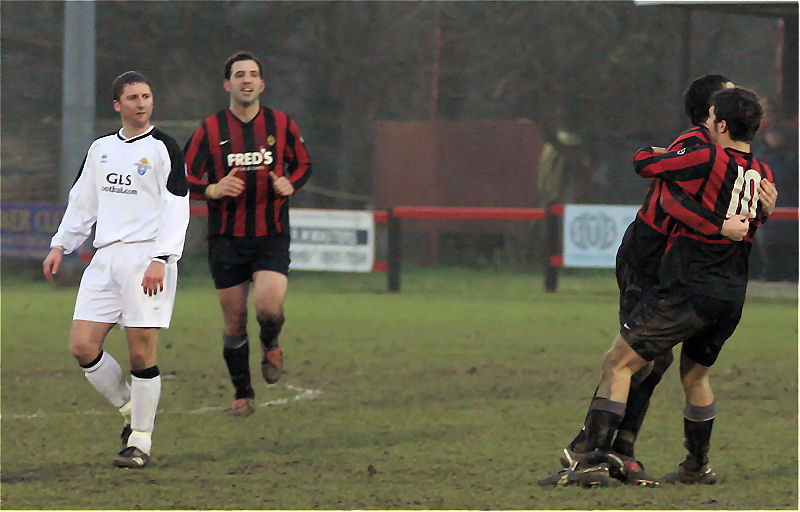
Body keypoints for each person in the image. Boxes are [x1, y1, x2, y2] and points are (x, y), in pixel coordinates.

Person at [542, 87, 776, 488]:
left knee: (618, 363)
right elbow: (749, 219)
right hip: (732, 295)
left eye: (711, 118)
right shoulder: (764, 176)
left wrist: (655, 156)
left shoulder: (705, 154)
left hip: (690, 289)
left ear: (719, 124)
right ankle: (696, 466)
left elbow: (647, 167)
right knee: (695, 376)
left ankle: (591, 460)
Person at [42, 71, 190, 469]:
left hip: (147, 259)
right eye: (133, 97)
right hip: (104, 258)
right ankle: (131, 408)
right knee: (82, 346)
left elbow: (177, 205)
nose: (141, 103)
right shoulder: (101, 149)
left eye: (146, 96)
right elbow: (82, 201)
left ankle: (139, 441)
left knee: (141, 351)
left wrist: (162, 257)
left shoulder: (164, 147)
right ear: (117, 105)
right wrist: (61, 244)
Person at [184, 51, 312, 417]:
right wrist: (211, 189)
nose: (246, 80)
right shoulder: (210, 129)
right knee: (234, 318)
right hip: (225, 238)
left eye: (253, 74)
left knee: (268, 305)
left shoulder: (281, 124)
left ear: (261, 84)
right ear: (227, 84)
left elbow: (304, 163)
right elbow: (182, 175)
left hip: (270, 232)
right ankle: (243, 395)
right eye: (239, 74)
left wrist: (291, 183)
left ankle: (271, 340)